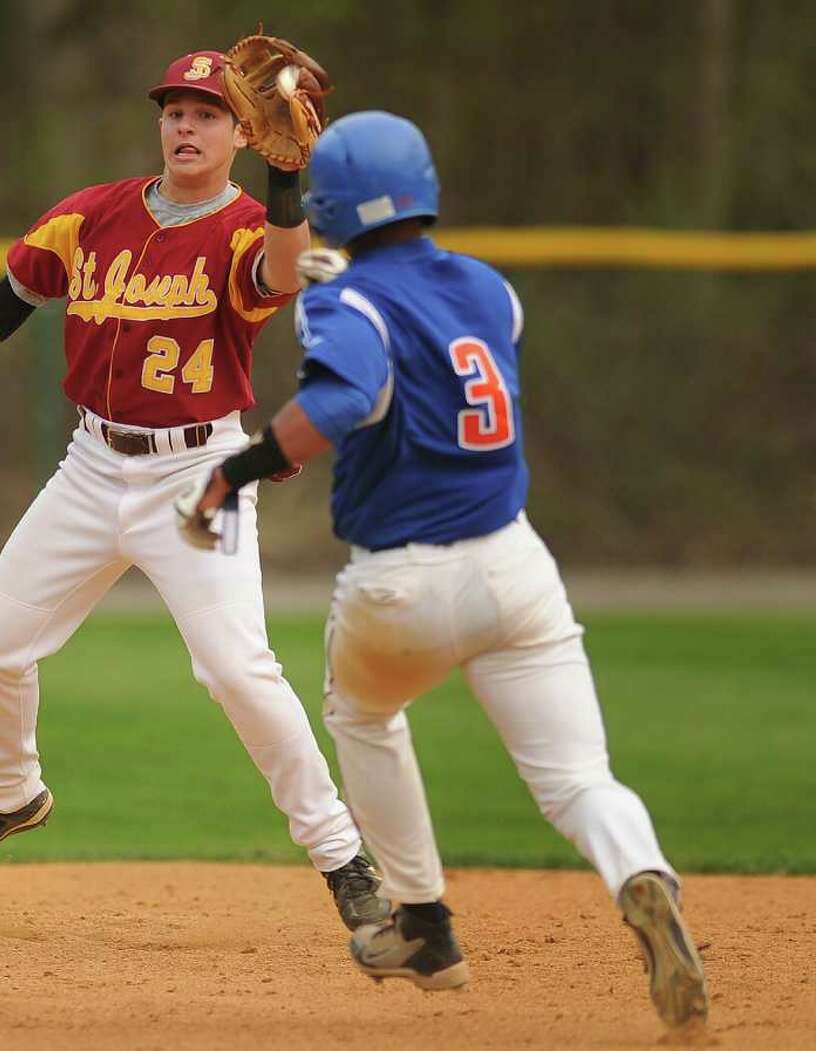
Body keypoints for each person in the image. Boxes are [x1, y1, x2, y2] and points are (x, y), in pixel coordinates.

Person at [175, 110, 710, 1029]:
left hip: (401, 585)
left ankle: (423, 922)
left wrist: (236, 470)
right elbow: (405, 316)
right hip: (516, 568)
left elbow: (343, 395)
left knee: (364, 714)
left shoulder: (343, 304)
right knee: (579, 779)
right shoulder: (491, 291)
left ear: (336, 205)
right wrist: (333, 282)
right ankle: (640, 873)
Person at [0, 50, 388, 931]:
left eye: (208, 114)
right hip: (90, 466)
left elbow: (282, 274)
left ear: (244, 133)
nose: (186, 127)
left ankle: (342, 855)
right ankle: (5, 792)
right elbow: (14, 293)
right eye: (176, 111)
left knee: (237, 670)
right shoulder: (92, 214)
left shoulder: (247, 225)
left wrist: (287, 180)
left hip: (195, 473)